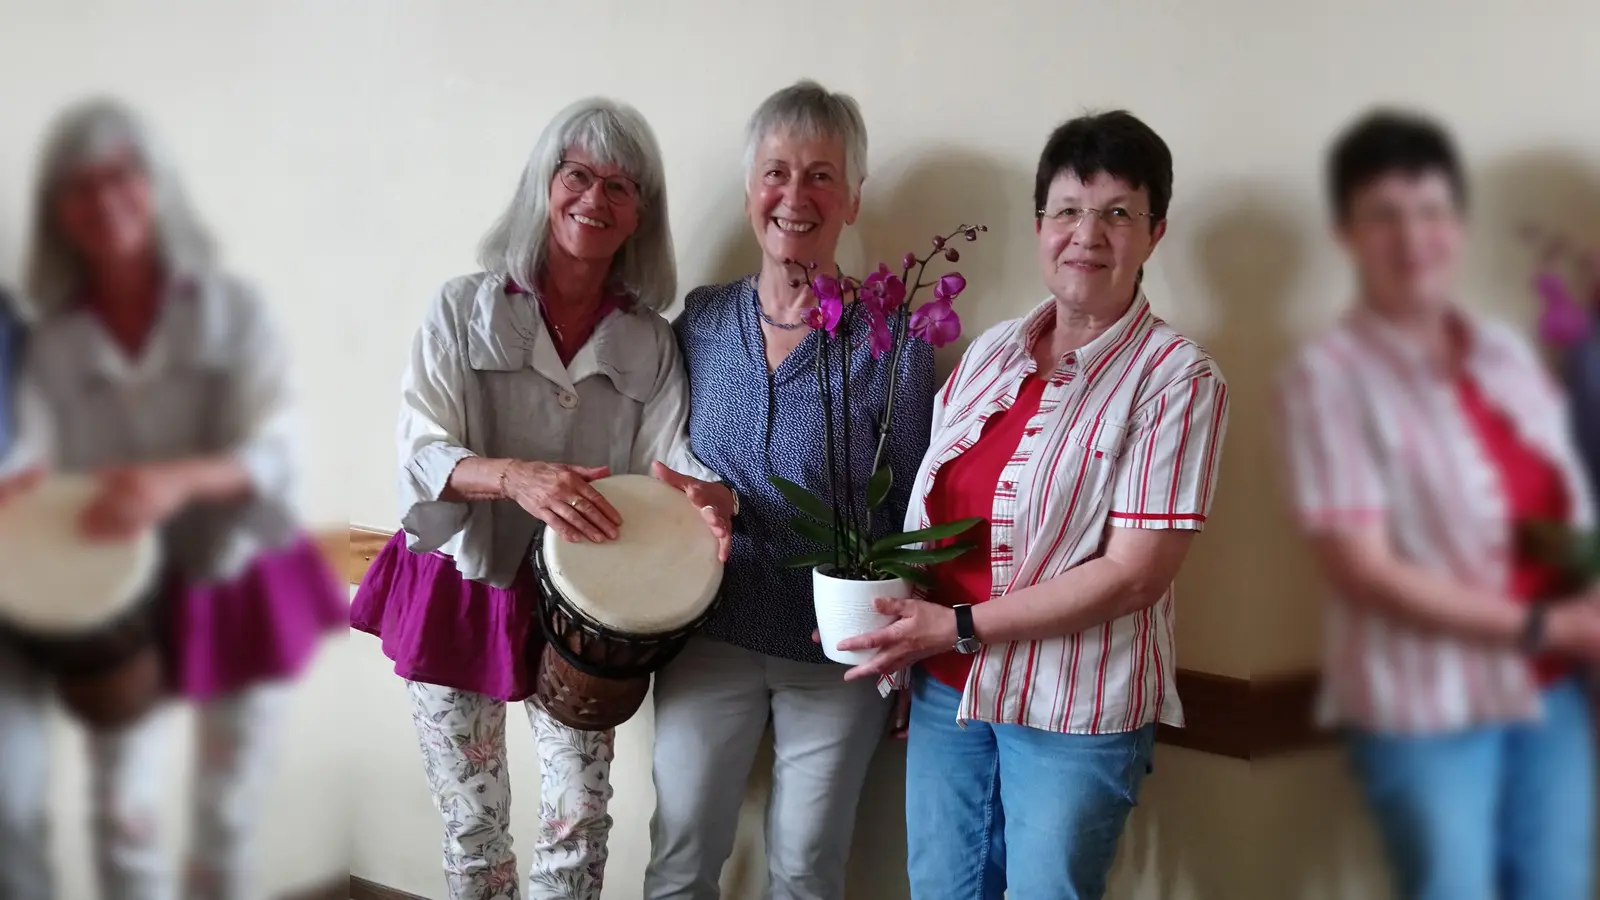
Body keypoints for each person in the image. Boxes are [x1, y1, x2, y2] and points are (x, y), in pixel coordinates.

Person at [348, 97, 734, 900]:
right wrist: (513, 475)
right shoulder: (462, 309)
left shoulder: (651, 341)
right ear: (544, 185)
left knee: (580, 817)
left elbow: (669, 464)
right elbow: (421, 453)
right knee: (473, 827)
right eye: (578, 174)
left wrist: (706, 497)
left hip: (585, 613)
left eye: (621, 187)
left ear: (640, 217)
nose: (596, 198)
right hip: (461, 581)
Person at [840, 110, 1229, 900]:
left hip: (1073, 711)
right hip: (948, 690)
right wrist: (880, 611)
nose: (1089, 234)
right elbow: (932, 517)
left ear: (1154, 234)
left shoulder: (1177, 379)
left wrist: (953, 627)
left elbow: (1133, 578)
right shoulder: (990, 352)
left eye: (1118, 212)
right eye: (1069, 211)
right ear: (1039, 226)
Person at [0, 97, 347, 900]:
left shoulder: (234, 308)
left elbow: (277, 449)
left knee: (226, 822)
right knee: (124, 819)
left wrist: (174, 481)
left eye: (120, 175)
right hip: (122, 594)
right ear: (58, 211)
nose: (104, 200)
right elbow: (43, 462)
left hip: (242, 576)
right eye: (78, 186)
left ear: (154, 185)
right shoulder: (53, 341)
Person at [1279, 110, 1600, 900]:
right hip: (1427, 704)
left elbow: (1565, 512)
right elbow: (1365, 572)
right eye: (1383, 214)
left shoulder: (1507, 352)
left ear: (1457, 225)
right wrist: (1544, 625)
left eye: (1429, 211)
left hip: (1552, 690)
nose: (1411, 235)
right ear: (1345, 233)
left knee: (1557, 886)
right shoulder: (1329, 376)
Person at [643, 80, 935, 900]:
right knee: (681, 851)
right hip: (709, 631)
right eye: (776, 172)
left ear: (852, 197)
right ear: (748, 193)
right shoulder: (698, 322)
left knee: (807, 868)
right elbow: (659, 455)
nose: (795, 197)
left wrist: (911, 654)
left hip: (835, 654)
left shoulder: (896, 342)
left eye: (820, 175)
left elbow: (912, 507)